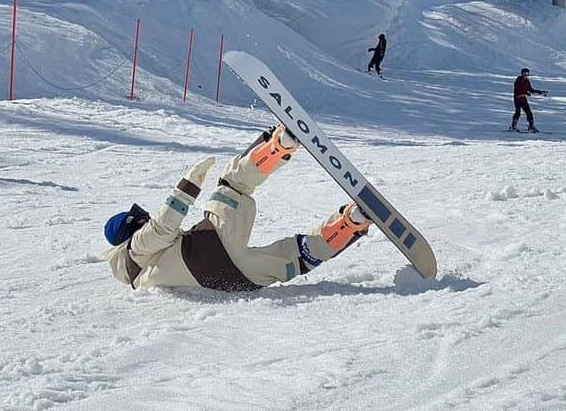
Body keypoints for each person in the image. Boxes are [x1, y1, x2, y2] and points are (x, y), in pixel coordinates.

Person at [104, 124, 374, 292]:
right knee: (233, 185)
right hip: (204, 250)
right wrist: (187, 187)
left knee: (296, 258)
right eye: (143, 219)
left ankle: (353, 222)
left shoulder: (139, 278)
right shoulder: (134, 250)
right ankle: (280, 144)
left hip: (236, 282)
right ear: (133, 227)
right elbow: (163, 228)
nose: (148, 218)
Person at [511, 68, 547, 132]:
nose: (526, 75)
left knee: (529, 113)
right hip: (517, 99)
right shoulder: (518, 80)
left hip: (524, 99)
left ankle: (531, 126)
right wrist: (526, 93)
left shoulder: (527, 81)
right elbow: (518, 89)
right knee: (518, 113)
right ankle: (513, 126)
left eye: (528, 74)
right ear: (522, 74)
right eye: (525, 74)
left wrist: (540, 92)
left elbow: (530, 90)